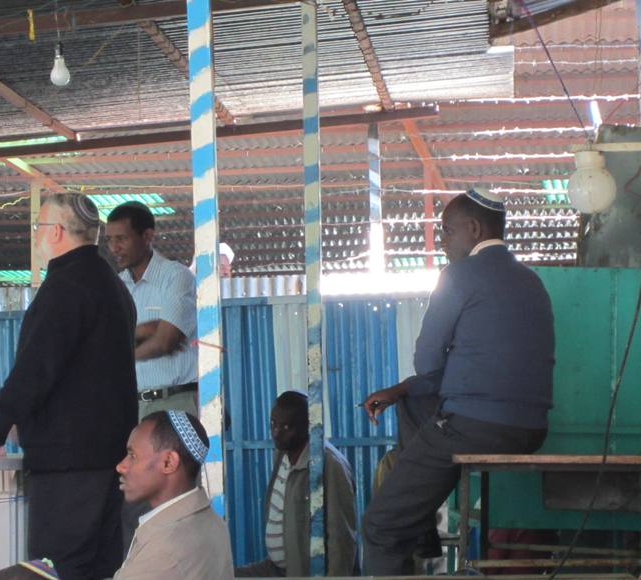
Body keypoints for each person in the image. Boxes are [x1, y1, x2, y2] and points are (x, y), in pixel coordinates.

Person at [360, 188, 555, 576]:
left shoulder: (458, 275)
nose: (444, 241)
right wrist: (403, 389)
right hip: (531, 431)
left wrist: (421, 377)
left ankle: (414, 526)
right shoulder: (532, 281)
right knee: (413, 402)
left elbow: (427, 363)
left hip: (474, 429)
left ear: (474, 228)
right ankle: (421, 530)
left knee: (379, 527)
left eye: (447, 231)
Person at [0, 193, 138, 580]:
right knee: (101, 567)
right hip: (109, 459)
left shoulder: (65, 288)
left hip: (69, 468)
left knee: (58, 568)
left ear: (56, 232)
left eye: (39, 227)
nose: (37, 236)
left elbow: (36, 367)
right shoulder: (113, 287)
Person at [236, 391, 357, 577]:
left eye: (286, 426)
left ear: (306, 427)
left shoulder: (329, 465)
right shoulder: (282, 453)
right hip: (277, 568)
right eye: (273, 424)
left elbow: (341, 540)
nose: (276, 432)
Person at [114, 411, 234, 579]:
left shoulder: (163, 551)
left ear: (168, 462)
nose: (121, 466)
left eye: (132, 456)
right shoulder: (212, 521)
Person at [106, 201, 198, 418]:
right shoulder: (118, 286)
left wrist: (123, 352)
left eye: (121, 239)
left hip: (176, 401)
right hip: (133, 404)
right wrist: (147, 331)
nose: (114, 248)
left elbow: (165, 341)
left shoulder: (175, 276)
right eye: (110, 240)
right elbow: (109, 341)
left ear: (147, 236)